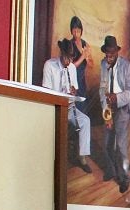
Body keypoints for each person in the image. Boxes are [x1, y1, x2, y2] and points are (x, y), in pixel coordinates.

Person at [42, 38, 92, 173]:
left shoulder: (71, 68)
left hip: (69, 108)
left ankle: (82, 158)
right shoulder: (49, 65)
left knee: (85, 121)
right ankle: (55, 161)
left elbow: (74, 88)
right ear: (61, 53)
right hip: (53, 108)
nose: (68, 62)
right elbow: (46, 92)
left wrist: (73, 91)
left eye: (70, 58)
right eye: (66, 58)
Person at [99, 35, 130, 193]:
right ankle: (112, 171)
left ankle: (124, 178)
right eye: (106, 54)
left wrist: (117, 98)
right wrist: (106, 112)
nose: (108, 57)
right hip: (109, 107)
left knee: (120, 146)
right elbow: (102, 89)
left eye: (111, 54)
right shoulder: (103, 64)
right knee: (107, 144)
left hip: (122, 109)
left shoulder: (127, 66)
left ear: (117, 52)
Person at [67, 16, 91, 114]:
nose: (76, 33)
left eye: (78, 30)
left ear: (81, 30)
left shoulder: (85, 44)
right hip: (72, 80)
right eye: (74, 30)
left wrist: (87, 58)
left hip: (81, 80)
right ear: (71, 31)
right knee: (73, 108)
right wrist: (82, 57)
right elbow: (70, 67)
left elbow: (91, 64)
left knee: (82, 108)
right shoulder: (69, 44)